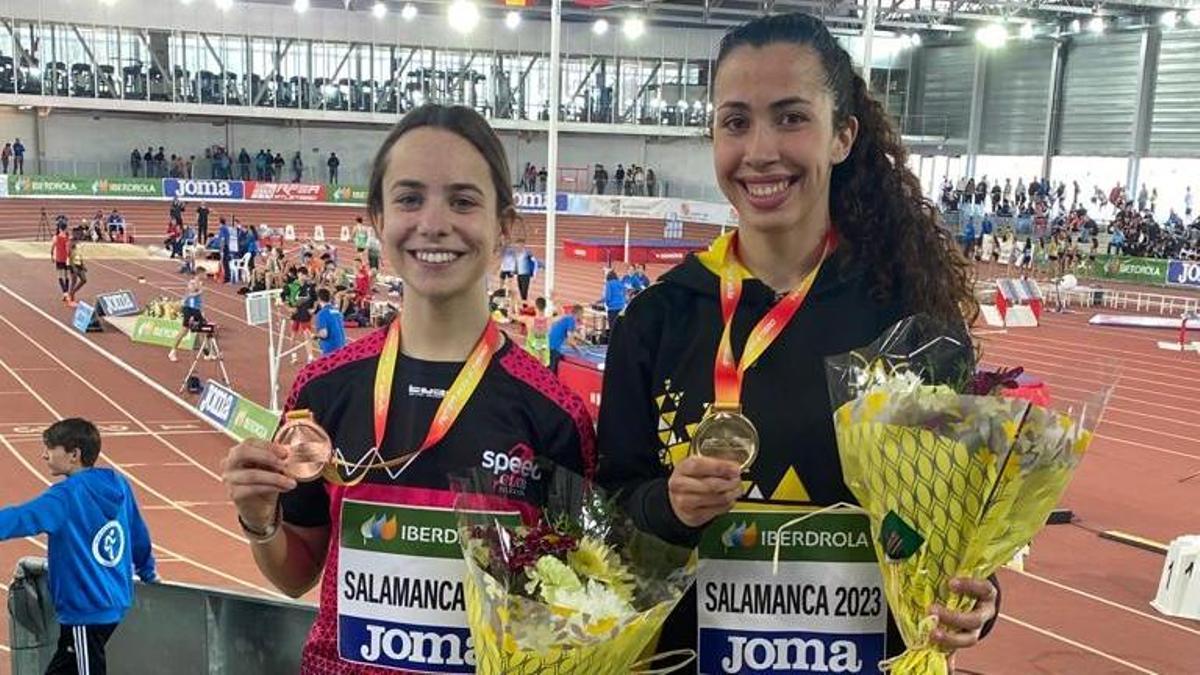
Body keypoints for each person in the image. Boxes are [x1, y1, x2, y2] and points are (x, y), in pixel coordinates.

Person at [596, 14, 998, 671]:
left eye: (790, 118)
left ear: (843, 136)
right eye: (735, 121)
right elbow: (607, 515)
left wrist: (976, 600)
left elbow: (951, 532)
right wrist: (664, 504)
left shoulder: (910, 322)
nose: (759, 151)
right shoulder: (657, 321)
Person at [219, 104, 595, 674]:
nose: (435, 222)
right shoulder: (324, 388)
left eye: (464, 201)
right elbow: (296, 574)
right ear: (377, 218)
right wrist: (258, 516)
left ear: (503, 227)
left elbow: (581, 600)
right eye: (410, 198)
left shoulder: (556, 413)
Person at [0, 418, 157, 675]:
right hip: (113, 599)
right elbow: (138, 533)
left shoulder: (64, 496)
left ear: (74, 454)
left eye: (50, 449)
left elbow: (20, 518)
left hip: (86, 611)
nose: (44, 455)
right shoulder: (119, 484)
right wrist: (148, 570)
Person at [168, 276, 205, 362]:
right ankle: (172, 351)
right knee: (184, 332)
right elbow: (193, 295)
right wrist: (200, 290)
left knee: (201, 331)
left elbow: (199, 302)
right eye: (191, 284)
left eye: (194, 284)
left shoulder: (197, 292)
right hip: (188, 311)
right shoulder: (189, 293)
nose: (193, 285)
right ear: (188, 286)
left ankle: (205, 352)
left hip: (196, 311)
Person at [548, 304, 583, 373]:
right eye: (582, 314)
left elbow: (572, 334)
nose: (582, 316)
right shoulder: (571, 320)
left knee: (552, 365)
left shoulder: (568, 318)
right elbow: (570, 340)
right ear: (578, 313)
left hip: (550, 343)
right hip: (555, 346)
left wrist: (585, 341)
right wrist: (578, 350)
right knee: (552, 370)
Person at [311, 288, 347, 356]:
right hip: (342, 346)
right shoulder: (337, 311)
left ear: (319, 299)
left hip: (330, 349)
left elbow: (324, 334)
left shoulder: (321, 314)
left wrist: (315, 336)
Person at [52, 222, 71, 303]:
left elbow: (53, 247)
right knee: (67, 276)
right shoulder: (67, 238)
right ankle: (66, 294)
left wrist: (52, 255)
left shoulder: (56, 237)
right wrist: (69, 257)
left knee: (60, 276)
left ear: (59, 228)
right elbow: (68, 249)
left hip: (59, 258)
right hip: (66, 259)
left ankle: (65, 293)